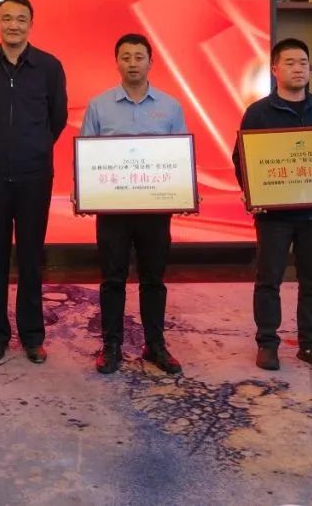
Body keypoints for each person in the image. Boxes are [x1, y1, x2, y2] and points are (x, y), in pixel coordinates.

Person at [0, 0, 68, 363]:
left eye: (20, 19)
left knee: (30, 256)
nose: (13, 25)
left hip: (34, 175)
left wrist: (34, 146)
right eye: (6, 18)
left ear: (30, 24)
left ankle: (32, 336)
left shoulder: (49, 66)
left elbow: (57, 118)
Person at [232, 38, 312, 374]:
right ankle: (267, 343)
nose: (298, 69)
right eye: (290, 63)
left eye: (303, 63)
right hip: (274, 216)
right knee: (269, 280)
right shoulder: (258, 113)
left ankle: (311, 345)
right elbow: (241, 158)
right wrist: (252, 193)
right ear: (275, 69)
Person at [80, 33, 186, 376]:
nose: (132, 63)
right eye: (125, 57)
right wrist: (83, 191)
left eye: (139, 57)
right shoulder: (99, 105)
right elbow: (86, 154)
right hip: (113, 211)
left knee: (153, 279)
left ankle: (155, 345)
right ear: (117, 62)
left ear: (151, 62)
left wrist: (185, 190)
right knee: (112, 278)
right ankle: (111, 345)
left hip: (155, 210)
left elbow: (180, 155)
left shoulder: (170, 106)